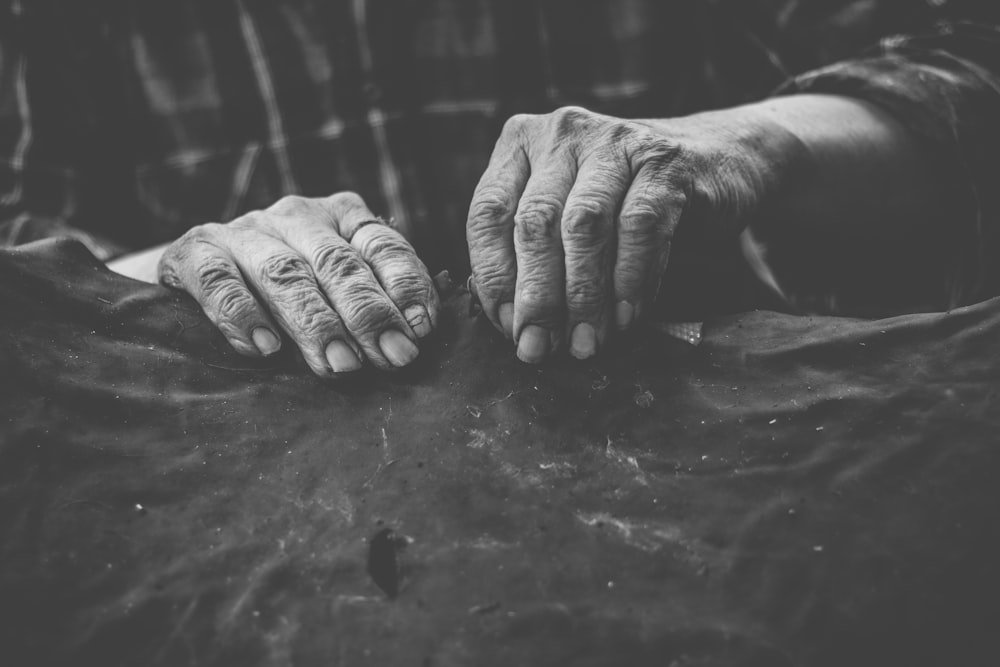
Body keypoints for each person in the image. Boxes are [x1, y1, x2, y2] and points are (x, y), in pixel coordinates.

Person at [3, 1, 1000, 375]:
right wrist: (192, 265)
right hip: (252, 529)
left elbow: (971, 59)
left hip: (704, 482)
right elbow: (18, 239)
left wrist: (741, 144)